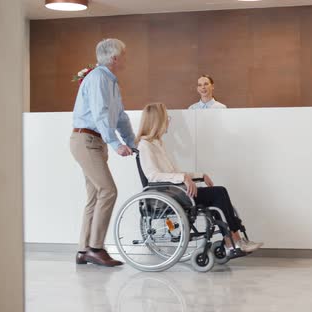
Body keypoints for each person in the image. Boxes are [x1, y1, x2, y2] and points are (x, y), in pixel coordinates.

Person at [136, 102, 262, 252]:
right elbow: (153, 176)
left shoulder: (157, 143)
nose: (168, 121)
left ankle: (233, 240)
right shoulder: (145, 145)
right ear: (157, 121)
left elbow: (174, 172)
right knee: (218, 193)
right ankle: (234, 241)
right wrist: (183, 177)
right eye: (166, 117)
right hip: (170, 195)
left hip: (177, 191)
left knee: (218, 196)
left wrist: (200, 175)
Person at [70, 38, 136, 267]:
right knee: (108, 191)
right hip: (86, 139)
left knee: (94, 196)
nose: (126, 58)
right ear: (115, 58)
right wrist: (116, 144)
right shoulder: (97, 78)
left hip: (95, 141)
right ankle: (95, 248)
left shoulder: (112, 82)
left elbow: (120, 117)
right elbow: (100, 113)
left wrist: (131, 142)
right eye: (125, 54)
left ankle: (83, 250)